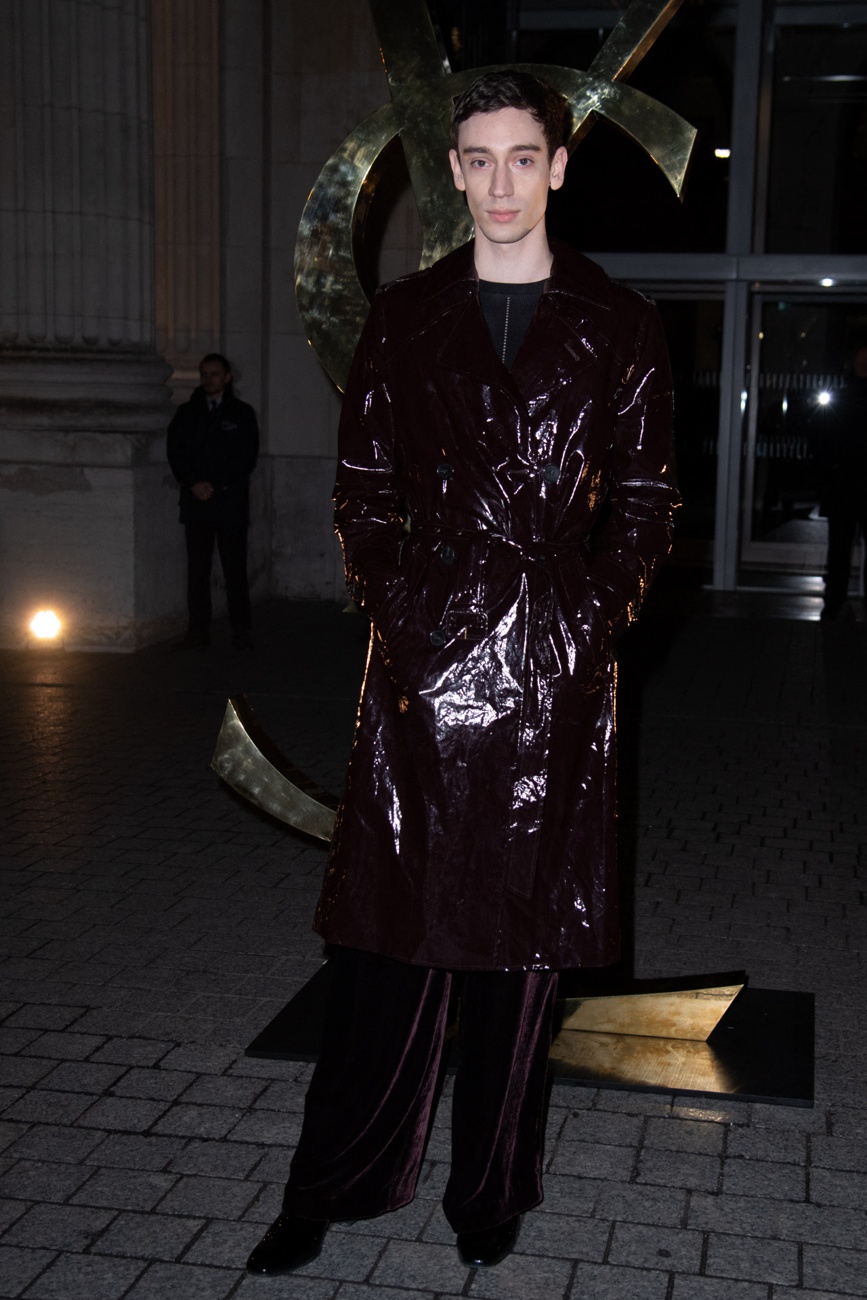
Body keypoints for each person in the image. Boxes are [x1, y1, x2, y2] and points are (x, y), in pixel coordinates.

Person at [246, 70, 678, 1275]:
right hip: (425, 666)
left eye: (520, 157)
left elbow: (645, 503)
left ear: (556, 166)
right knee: (385, 947)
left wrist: (588, 623)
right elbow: (364, 491)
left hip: (550, 672)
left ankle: (491, 1188)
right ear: (452, 169)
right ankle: (334, 1181)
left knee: (518, 957)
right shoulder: (405, 316)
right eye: (477, 158)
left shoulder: (619, 321)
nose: (499, 182)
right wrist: (404, 612)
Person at [167, 353, 259, 648]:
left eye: (215, 374)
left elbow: (246, 457)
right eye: (204, 374)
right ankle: (198, 631)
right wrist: (193, 483)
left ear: (227, 377)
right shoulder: (186, 414)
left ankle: (241, 631)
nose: (209, 380)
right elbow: (176, 453)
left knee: (234, 569)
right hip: (197, 505)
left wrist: (216, 486)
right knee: (197, 571)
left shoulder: (242, 414)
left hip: (229, 503)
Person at [816, 345, 867, 620]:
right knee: (839, 547)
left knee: (839, 547)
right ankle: (835, 597)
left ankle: (835, 598)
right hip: (845, 484)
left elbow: (824, 440)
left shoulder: (843, 396)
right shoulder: (844, 397)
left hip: (844, 484)